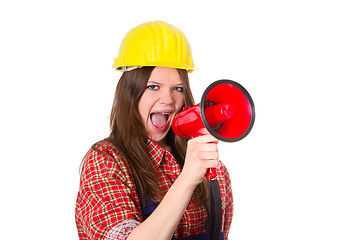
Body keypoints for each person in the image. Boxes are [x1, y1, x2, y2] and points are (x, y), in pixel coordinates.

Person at [75, 21, 233, 240]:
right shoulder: (105, 161)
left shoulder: (211, 168)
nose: (168, 99)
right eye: (153, 86)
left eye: (178, 88)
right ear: (130, 92)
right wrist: (187, 178)